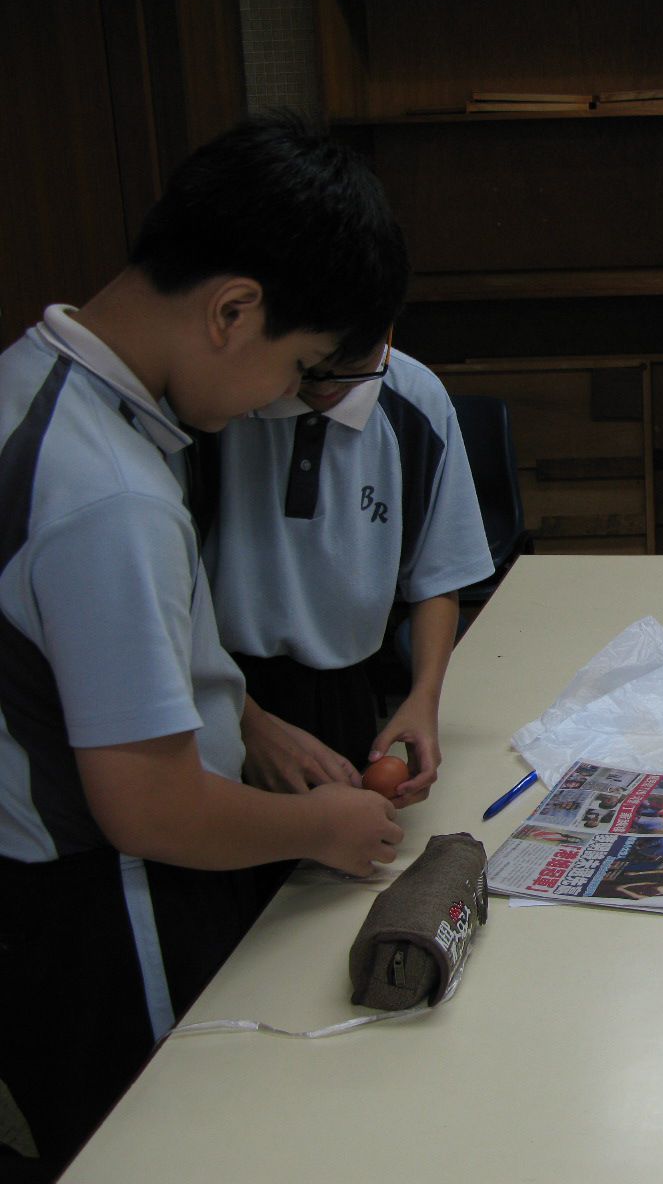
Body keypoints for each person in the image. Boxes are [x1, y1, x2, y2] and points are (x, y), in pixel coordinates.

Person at [0, 112, 409, 1170]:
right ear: (233, 310)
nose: (287, 398)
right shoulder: (115, 500)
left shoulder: (36, 387)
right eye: (299, 366)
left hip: (37, 890)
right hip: (104, 905)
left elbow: (65, 647)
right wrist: (319, 827)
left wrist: (245, 716)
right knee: (168, 1144)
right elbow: (151, 805)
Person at [188, 327, 493, 807]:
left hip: (344, 683)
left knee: (341, 840)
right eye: (310, 370)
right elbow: (168, 597)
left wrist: (423, 698)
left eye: (352, 371)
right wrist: (248, 722)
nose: (327, 387)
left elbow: (436, 575)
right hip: (216, 682)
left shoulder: (413, 397)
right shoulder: (219, 399)